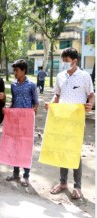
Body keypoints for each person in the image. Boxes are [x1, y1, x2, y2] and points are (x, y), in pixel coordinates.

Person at [46, 48, 94, 199]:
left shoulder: (85, 76)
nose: (64, 64)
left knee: (74, 151)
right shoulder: (60, 76)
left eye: (66, 61)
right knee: (62, 150)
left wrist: (90, 104)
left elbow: (91, 95)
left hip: (76, 121)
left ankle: (78, 187)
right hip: (61, 119)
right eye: (63, 61)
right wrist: (51, 104)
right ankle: (63, 183)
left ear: (75, 61)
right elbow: (57, 95)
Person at [5, 59, 38, 187]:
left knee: (25, 147)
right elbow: (13, 101)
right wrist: (7, 109)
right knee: (15, 145)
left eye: (16, 70)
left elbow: (36, 102)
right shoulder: (13, 85)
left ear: (23, 70)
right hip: (14, 120)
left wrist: (34, 111)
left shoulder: (31, 85)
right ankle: (15, 173)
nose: (15, 73)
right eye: (14, 70)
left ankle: (26, 176)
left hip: (26, 121)